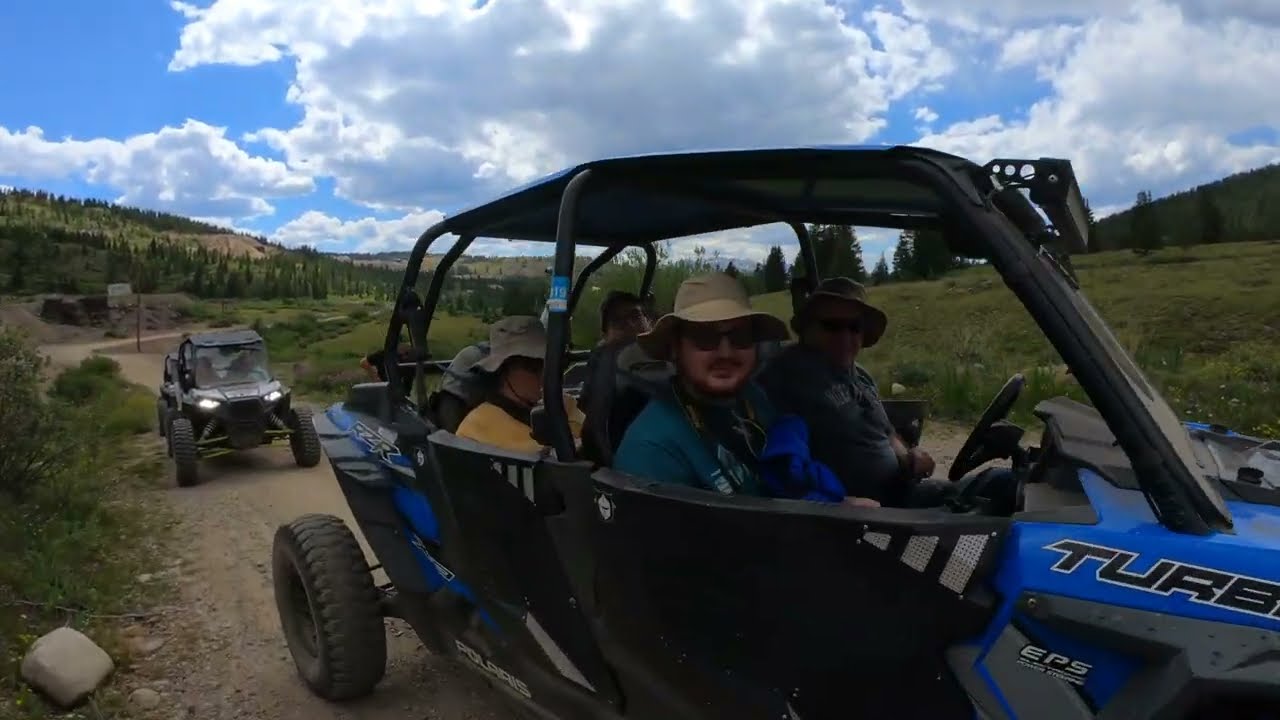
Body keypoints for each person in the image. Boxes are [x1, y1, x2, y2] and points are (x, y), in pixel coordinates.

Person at [613, 273, 872, 507]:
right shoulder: (653, 450)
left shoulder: (751, 399)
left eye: (740, 338)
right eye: (705, 338)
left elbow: (783, 485)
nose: (726, 353)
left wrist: (840, 508)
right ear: (674, 349)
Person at [757, 277, 942, 507]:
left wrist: (908, 456)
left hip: (903, 493)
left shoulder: (861, 375)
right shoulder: (788, 372)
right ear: (808, 328)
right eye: (832, 326)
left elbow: (887, 432)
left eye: (854, 327)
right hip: (859, 516)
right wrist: (835, 504)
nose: (845, 337)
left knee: (994, 485)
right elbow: (781, 466)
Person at [455, 315, 585, 453]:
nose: (543, 374)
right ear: (503, 369)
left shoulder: (563, 404)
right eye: (532, 366)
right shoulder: (475, 428)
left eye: (549, 365)